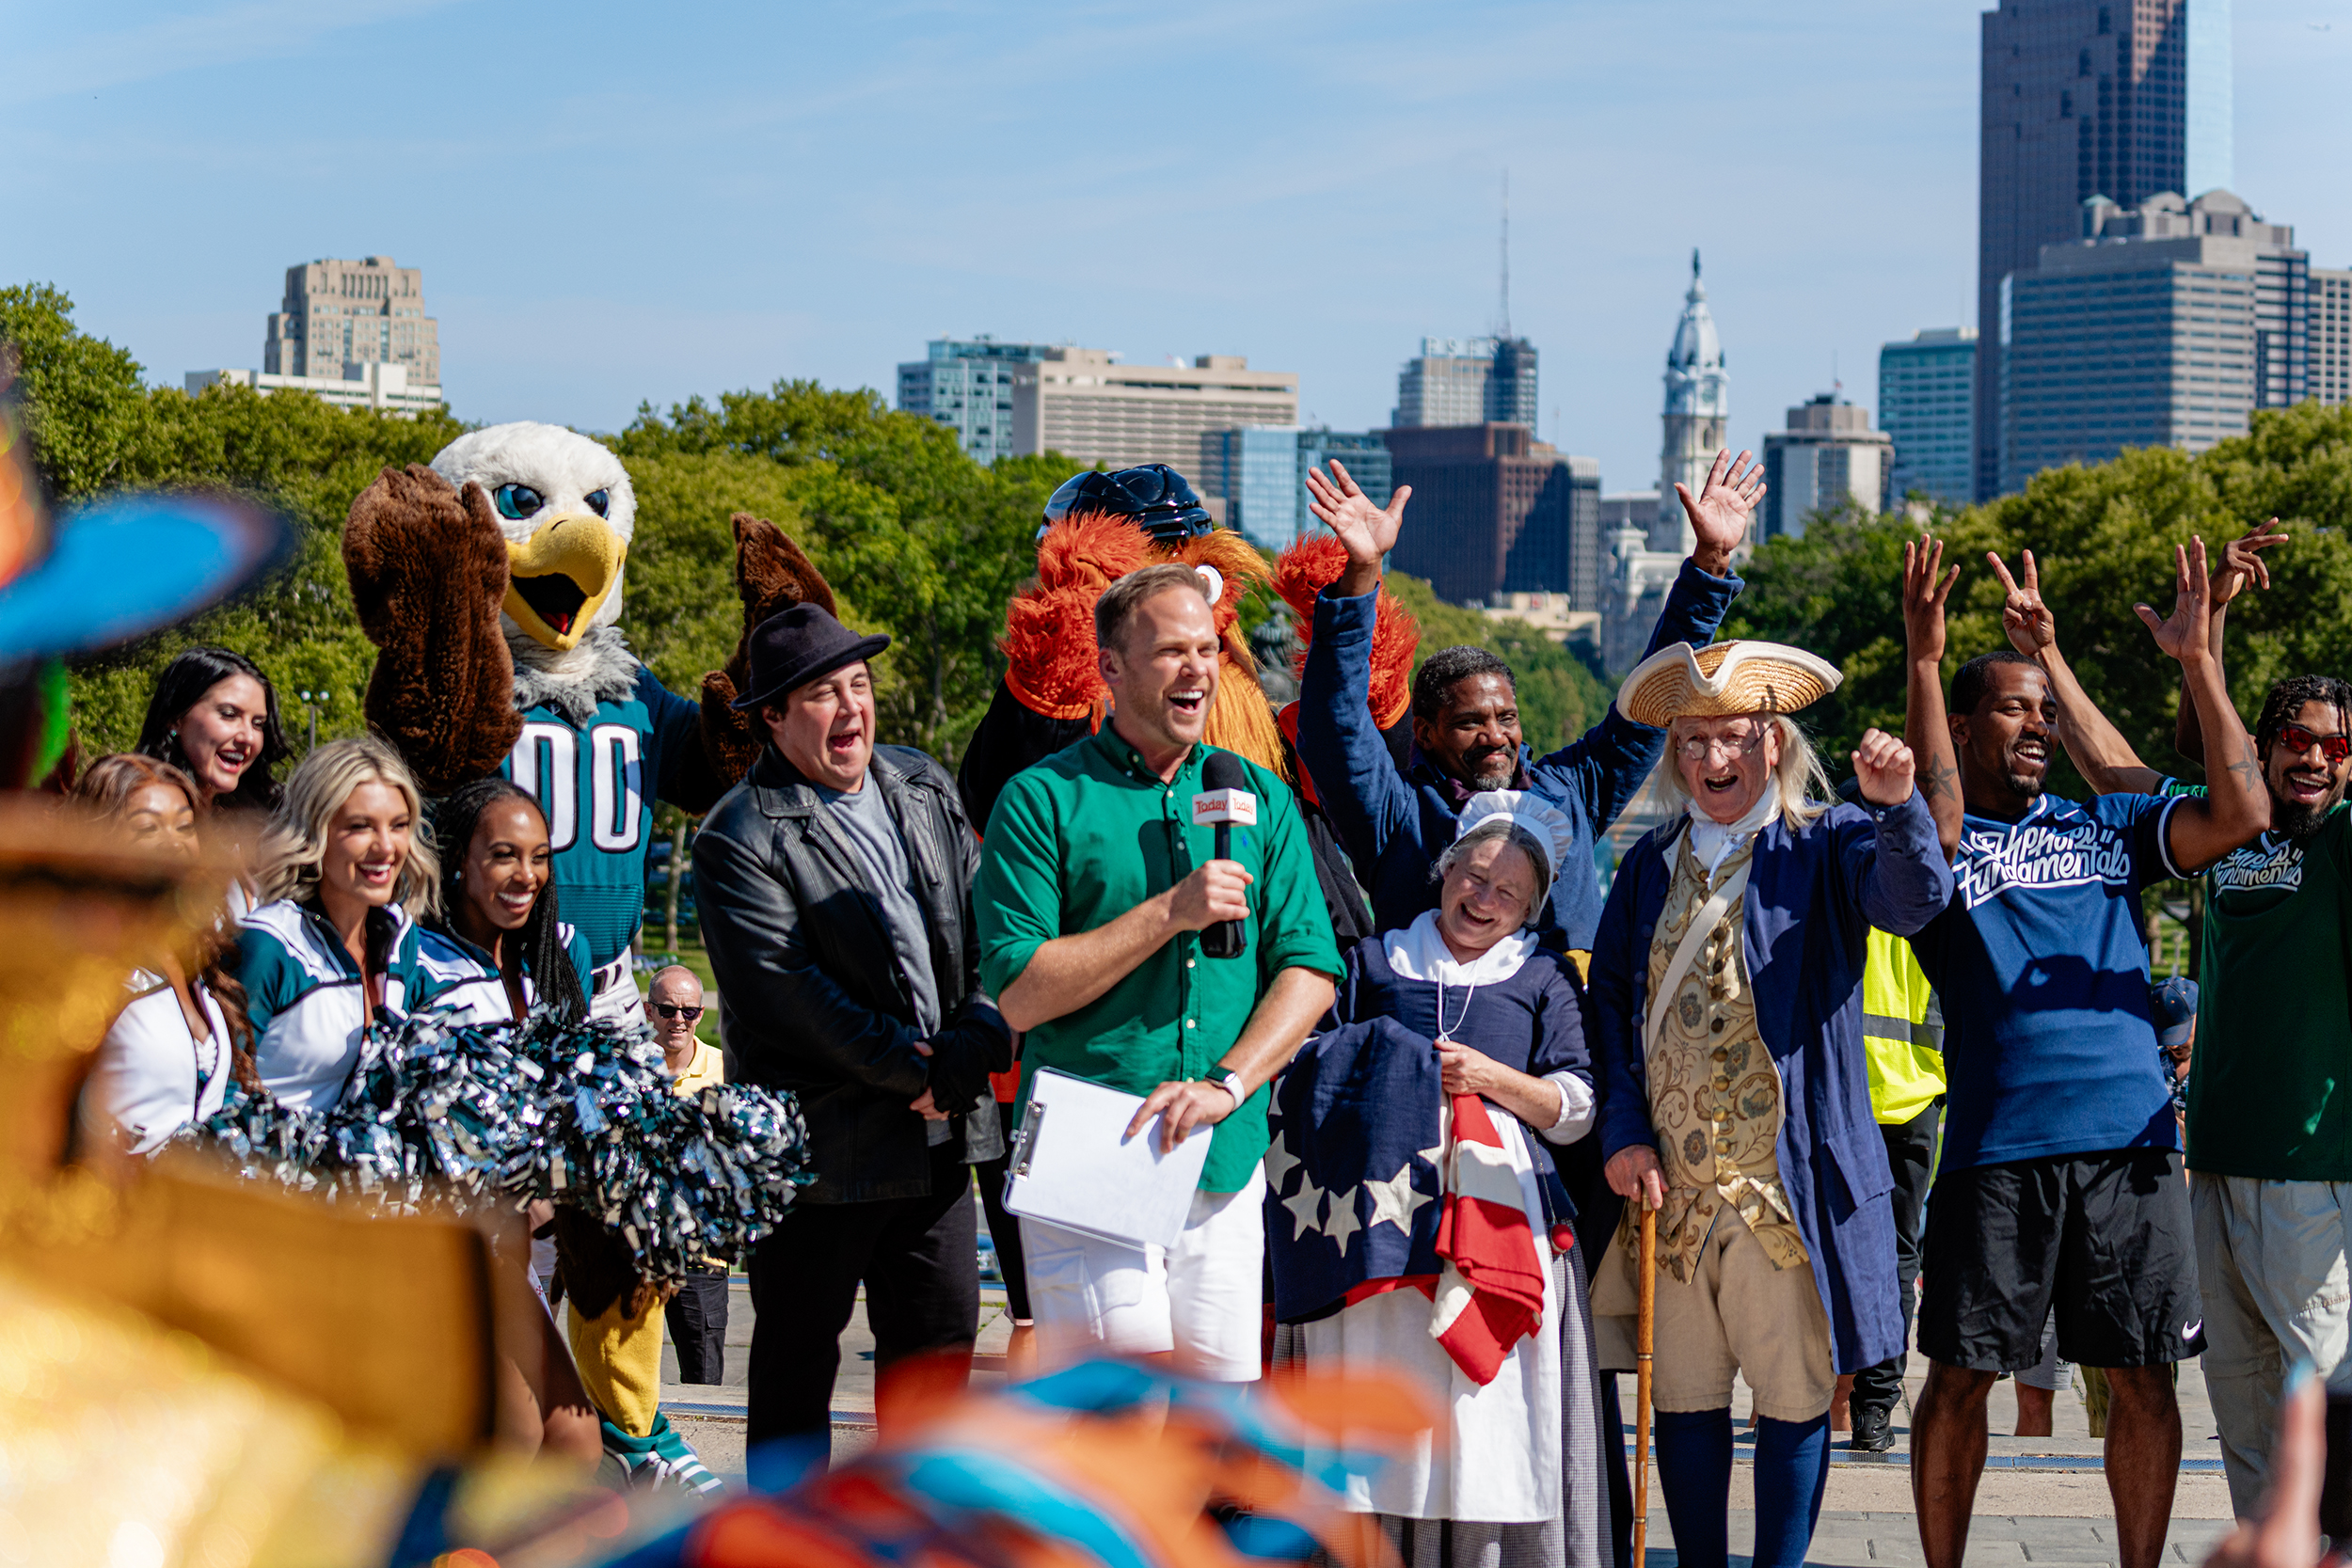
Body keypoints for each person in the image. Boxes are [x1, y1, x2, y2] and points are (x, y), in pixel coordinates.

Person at [1899, 537, 2269, 1568]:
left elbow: (2239, 811)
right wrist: (1925, 661)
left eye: (2045, 711)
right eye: (2011, 709)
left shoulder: (2101, 825)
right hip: (1995, 1148)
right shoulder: (1937, 838)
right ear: (1967, 727)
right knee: (1961, 1376)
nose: (2036, 723)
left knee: (2145, 1375)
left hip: (2133, 1143)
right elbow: (1930, 809)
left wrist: (2195, 659)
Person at [1587, 635, 1950, 1568]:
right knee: (1686, 1396)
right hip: (1672, 1191)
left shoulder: (1826, 842)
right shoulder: (1644, 868)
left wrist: (1899, 805)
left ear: (1776, 744)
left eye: (1737, 736)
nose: (1715, 759)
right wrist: (1624, 1132)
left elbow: (1914, 900)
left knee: (1793, 1394)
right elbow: (1611, 1007)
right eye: (1695, 739)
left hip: (1785, 1182)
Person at [2032, 522, 2352, 1523]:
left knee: (2325, 1425)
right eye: (2292, 740)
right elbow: (2116, 772)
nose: (2312, 760)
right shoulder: (2224, 831)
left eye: (2335, 746)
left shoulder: (2344, 836)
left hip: (2318, 1180)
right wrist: (2045, 651)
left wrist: (2202, 655)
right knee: (2246, 1421)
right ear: (2260, 748)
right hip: (2208, 1164)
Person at [975, 562, 1343, 1380]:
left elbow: (1311, 969)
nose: (1198, 669)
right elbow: (1022, 993)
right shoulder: (1040, 800)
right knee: (1120, 1424)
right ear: (1110, 667)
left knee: (1218, 1422)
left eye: (1207, 649)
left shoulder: (1257, 796)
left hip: (1222, 1144)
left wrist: (1229, 1082)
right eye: (1171, 650)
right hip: (1091, 1150)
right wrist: (1168, 912)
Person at [695, 603, 1010, 1458]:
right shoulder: (738, 833)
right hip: (819, 1150)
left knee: (939, 1356)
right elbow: (783, 993)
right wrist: (923, 1072)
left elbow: (990, 923)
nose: (851, 709)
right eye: (822, 694)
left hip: (939, 1141)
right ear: (772, 716)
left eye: (859, 685)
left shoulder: (921, 782)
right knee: (798, 1368)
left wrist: (981, 1029)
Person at [1272, 792, 1607, 1565]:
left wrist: (1488, 1077)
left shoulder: (1545, 977)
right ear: (1445, 867)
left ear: (1530, 909)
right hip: (1376, 1225)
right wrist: (1397, 1062)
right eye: (1475, 875)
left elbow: (1577, 1105)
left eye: (1507, 892)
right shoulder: (1372, 960)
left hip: (1494, 1224)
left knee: (1482, 1415)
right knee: (1376, 1403)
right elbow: (1306, 1065)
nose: (1483, 898)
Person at [236, 736, 434, 1110]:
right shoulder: (270, 944)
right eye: (360, 827)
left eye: (398, 825)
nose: (386, 847)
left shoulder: (399, 939)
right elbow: (218, 1087)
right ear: (315, 832)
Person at [75, 753, 257, 1154]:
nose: (174, 843)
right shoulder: (83, 967)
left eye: (185, 827)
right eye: (147, 828)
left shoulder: (196, 956)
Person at [1845, 891, 1946, 1453]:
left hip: (1850, 1097)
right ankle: (1876, 1408)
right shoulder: (1934, 894)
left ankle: (1808, 1398)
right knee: (1899, 1260)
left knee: (1828, 1250)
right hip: (1917, 1103)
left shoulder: (1854, 885)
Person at [412, 778, 592, 1024]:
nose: (528, 876)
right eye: (505, 855)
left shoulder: (565, 951)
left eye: (539, 857)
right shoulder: (417, 959)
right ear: (458, 858)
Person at [646, 963, 731, 1387]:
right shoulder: (627, 1067)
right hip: (634, 1250)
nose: (678, 1020)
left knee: (703, 1378)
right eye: (666, 1009)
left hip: (702, 1253)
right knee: (625, 1372)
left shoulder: (726, 1070)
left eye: (690, 1012)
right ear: (648, 1011)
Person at [135, 647, 291, 816]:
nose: (248, 737)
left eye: (258, 724)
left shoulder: (260, 822)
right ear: (175, 719)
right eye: (229, 715)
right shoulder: (135, 808)